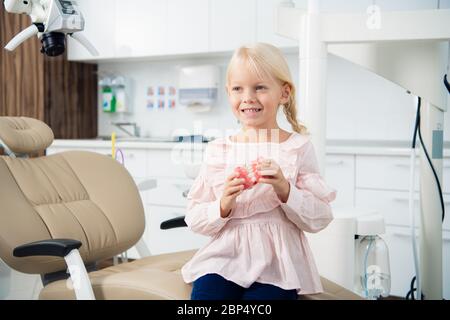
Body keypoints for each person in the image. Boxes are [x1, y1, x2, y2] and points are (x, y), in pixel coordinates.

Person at [181, 43, 337, 300]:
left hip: (279, 263)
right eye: (238, 89)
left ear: (284, 93)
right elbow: (195, 218)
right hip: (225, 257)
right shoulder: (219, 150)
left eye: (260, 87)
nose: (248, 97)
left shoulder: (297, 147)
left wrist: (286, 190)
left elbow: (320, 217)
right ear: (228, 93)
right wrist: (223, 203)